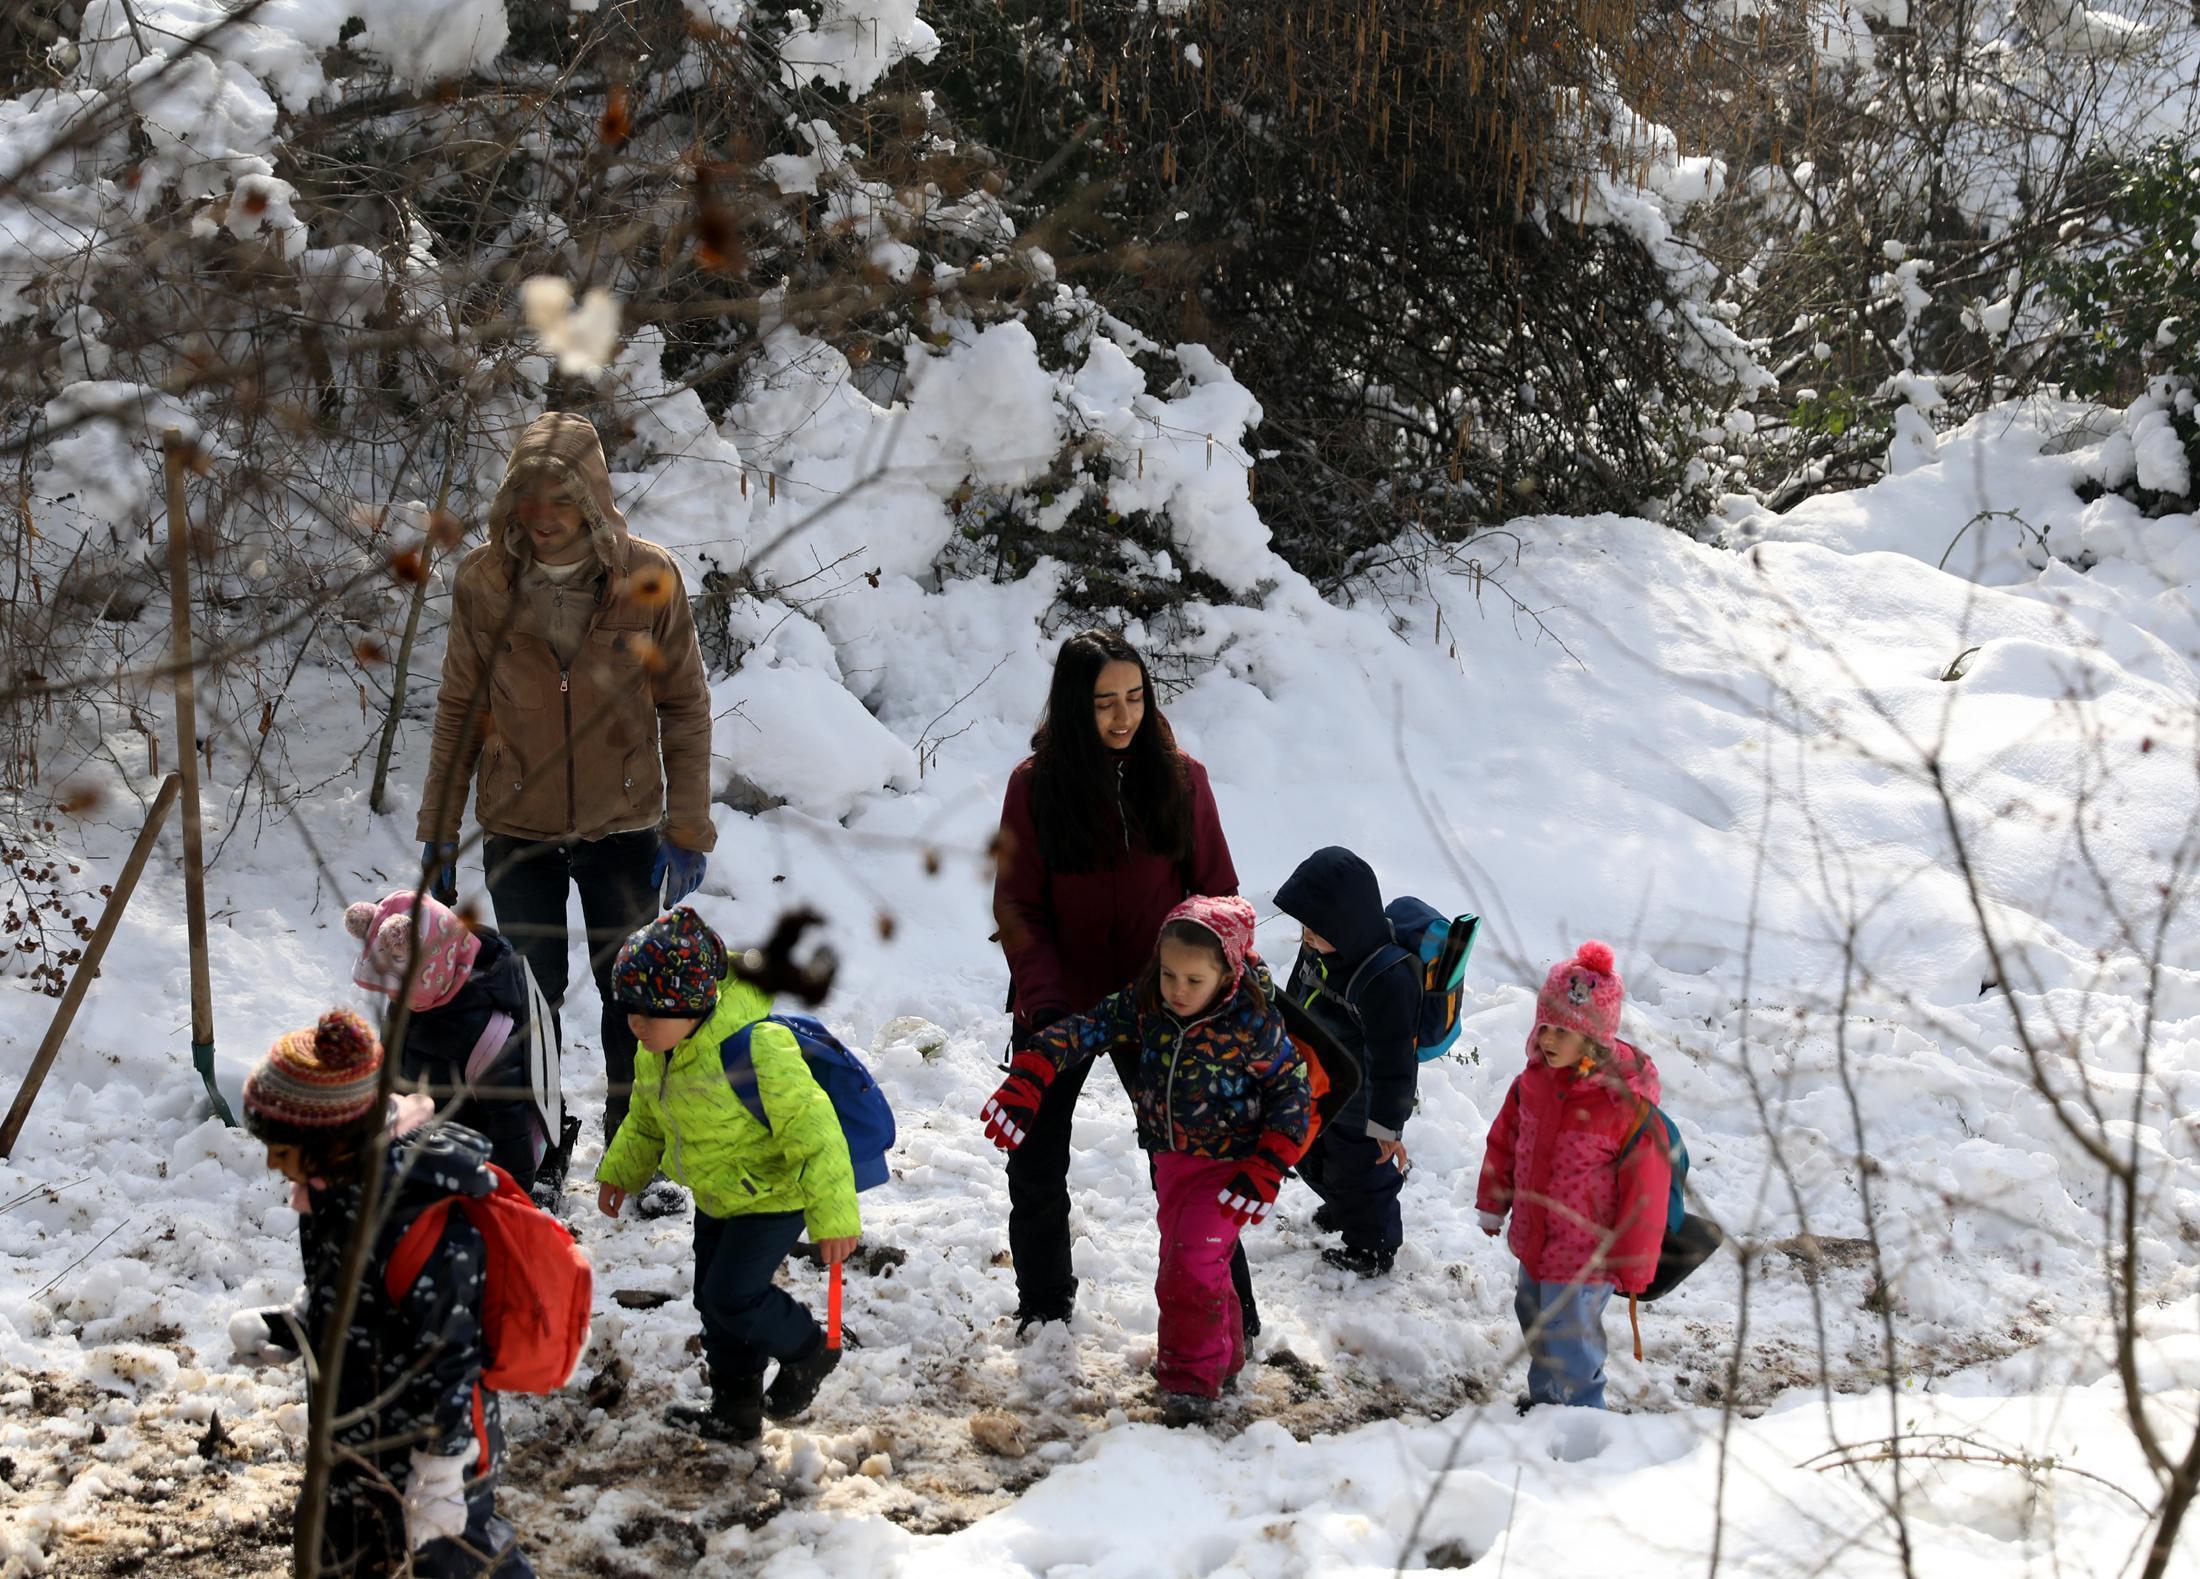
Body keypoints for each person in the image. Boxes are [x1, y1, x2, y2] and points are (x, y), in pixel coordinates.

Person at [414, 411, 715, 1153]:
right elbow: (461, 706)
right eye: (529, 498)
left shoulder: (649, 577)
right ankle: (538, 1151)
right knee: (525, 1004)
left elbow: (684, 704)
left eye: (559, 498)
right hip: (519, 824)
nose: (542, 517)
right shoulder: (485, 582)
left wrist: (688, 827)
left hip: (625, 827)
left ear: (591, 497)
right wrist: (439, 828)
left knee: (636, 998)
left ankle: (638, 1147)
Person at [993, 627, 1243, 1336]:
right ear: (1076, 705)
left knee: (1192, 1162)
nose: (1124, 715)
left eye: (1135, 697)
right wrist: (1041, 1001)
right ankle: (1044, 1306)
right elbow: (1017, 905)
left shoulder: (1181, 777)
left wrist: (1204, 987)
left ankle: (1230, 1310)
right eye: (1105, 702)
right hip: (1060, 1002)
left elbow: (1216, 894)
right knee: (1035, 1163)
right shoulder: (1034, 786)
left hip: (1161, 1002)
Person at [980, 896, 1310, 1420]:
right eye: (1169, 974)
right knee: (1203, 1264)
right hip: (1174, 1162)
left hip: (1230, 1166)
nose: (1178, 990)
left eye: (1193, 980)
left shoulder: (1252, 1023)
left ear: (1228, 972)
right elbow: (1086, 1027)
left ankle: (1189, 1383)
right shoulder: (1150, 1004)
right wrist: (1034, 1068)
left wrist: (1269, 1163)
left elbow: (1294, 1090)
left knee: (1186, 1268)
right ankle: (1225, 1355)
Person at [230, 1010, 532, 1577]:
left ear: (330, 1143)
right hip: (352, 1432)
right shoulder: (328, 1195)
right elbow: (348, 1293)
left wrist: (441, 1471)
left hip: (432, 1445)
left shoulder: (414, 1214)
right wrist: (294, 1326)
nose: (271, 1161)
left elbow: (452, 1353)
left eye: (282, 1147)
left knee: (460, 1561)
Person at [594, 908, 861, 1442]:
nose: (635, 1025)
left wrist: (834, 1217)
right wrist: (621, 1170)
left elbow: (816, 1132)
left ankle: (811, 1349)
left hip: (772, 1196)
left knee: (733, 1297)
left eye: (649, 1013)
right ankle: (735, 1410)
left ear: (694, 1004)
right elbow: (647, 1120)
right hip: (717, 1195)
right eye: (630, 1012)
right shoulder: (658, 1053)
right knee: (714, 1304)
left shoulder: (755, 1048)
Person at [1475, 941, 1671, 1411]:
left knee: (1571, 1343)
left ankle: (1585, 1415)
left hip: (1588, 1254)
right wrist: (1492, 1201)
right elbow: (1504, 1143)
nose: (1549, 1040)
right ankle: (1545, 1405)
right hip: (1535, 1242)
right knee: (1536, 1323)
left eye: (1564, 1031)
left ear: (1594, 1038)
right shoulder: (1531, 1085)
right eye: (1546, 1026)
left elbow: (1648, 1184)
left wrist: (1634, 1258)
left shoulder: (1621, 1103)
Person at [1274, 846, 1422, 1277]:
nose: (1306, 936)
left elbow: (1396, 1060)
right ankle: (1344, 1208)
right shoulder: (1320, 947)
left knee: (1361, 1175)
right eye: (1303, 925)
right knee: (1313, 1158)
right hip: (1322, 1083)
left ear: (1348, 922)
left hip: (1362, 1101)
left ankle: (1373, 1247)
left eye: (1316, 928)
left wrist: (1385, 1127)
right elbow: (1296, 1003)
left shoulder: (1385, 979)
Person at [344, 890, 545, 1194]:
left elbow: (509, 1124)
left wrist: (511, 1198)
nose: (393, 996)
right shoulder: (410, 1003)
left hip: (477, 1169)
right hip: (425, 1156)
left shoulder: (486, 1031)